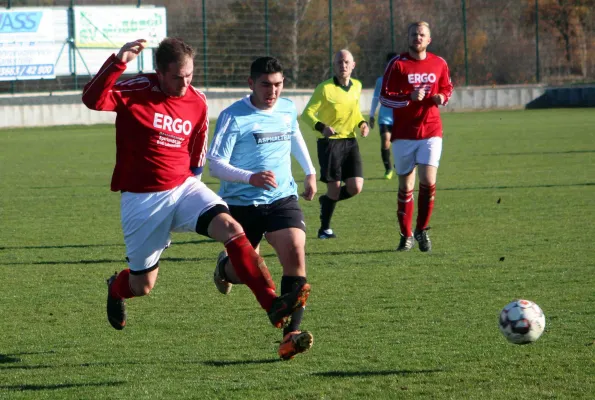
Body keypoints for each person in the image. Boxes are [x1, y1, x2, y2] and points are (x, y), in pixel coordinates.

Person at [81, 38, 310, 332]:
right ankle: (116, 287)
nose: (184, 83)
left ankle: (272, 304)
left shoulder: (197, 100)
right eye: (177, 77)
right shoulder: (135, 90)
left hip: (184, 187)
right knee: (142, 285)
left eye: (189, 75)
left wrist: (196, 184)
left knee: (232, 228)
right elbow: (92, 99)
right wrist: (118, 62)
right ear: (159, 72)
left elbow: (198, 148)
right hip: (143, 200)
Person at [207, 56, 317, 360]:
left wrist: (309, 170)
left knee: (295, 251)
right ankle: (224, 269)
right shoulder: (234, 116)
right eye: (266, 85)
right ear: (251, 83)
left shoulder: (287, 107)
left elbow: (293, 133)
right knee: (247, 272)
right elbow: (215, 164)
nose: (273, 91)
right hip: (242, 203)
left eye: (279, 84)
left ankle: (290, 337)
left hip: (282, 198)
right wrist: (250, 177)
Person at [379, 21, 453, 252]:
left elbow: (447, 87)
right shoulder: (397, 64)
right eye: (414, 34)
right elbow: (385, 97)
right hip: (404, 134)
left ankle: (422, 230)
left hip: (431, 130)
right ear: (408, 38)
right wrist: (409, 96)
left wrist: (442, 97)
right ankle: (406, 234)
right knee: (406, 185)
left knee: (428, 181)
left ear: (428, 39)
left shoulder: (439, 63)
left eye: (422, 35)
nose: (417, 38)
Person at [301, 49, 370, 239]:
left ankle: (327, 201)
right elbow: (307, 113)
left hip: (350, 140)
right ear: (334, 65)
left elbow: (355, 112)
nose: (343, 65)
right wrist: (322, 127)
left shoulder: (357, 86)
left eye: (347, 62)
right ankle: (324, 228)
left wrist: (362, 123)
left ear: (353, 65)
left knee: (356, 186)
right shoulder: (324, 88)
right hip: (329, 143)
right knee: (334, 188)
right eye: (339, 62)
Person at [370, 52, 397, 180]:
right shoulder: (381, 81)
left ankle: (400, 165)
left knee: (399, 144)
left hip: (400, 117)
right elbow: (375, 97)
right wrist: (371, 115)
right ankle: (388, 169)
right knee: (386, 140)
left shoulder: (403, 79)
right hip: (385, 117)